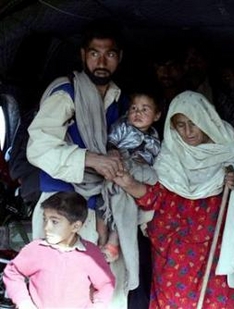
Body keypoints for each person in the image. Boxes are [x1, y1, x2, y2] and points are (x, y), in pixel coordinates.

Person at [113, 90, 234, 308]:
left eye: (194, 123)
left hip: (218, 248)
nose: (188, 131)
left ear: (206, 119)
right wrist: (129, 184)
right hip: (176, 251)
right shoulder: (170, 155)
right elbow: (155, 197)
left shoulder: (229, 148)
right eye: (180, 125)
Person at [26, 19, 130, 308]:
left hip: (101, 208)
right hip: (61, 205)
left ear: (119, 58)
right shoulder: (66, 92)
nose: (101, 61)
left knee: (104, 291)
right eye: (94, 53)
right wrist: (90, 158)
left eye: (109, 54)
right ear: (83, 54)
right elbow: (39, 146)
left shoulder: (120, 101)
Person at [3, 191, 115, 309]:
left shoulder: (91, 253)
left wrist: (99, 305)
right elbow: (13, 272)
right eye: (45, 219)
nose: (46, 227)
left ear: (75, 226)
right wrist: (24, 302)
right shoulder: (36, 250)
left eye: (54, 222)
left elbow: (106, 284)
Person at [97, 91, 161, 262]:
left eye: (144, 109)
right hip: (121, 166)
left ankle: (114, 241)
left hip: (139, 175)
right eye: (134, 108)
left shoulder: (155, 138)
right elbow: (111, 142)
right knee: (106, 203)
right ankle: (104, 240)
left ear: (157, 115)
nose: (137, 113)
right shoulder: (123, 126)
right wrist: (113, 152)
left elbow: (156, 162)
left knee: (132, 205)